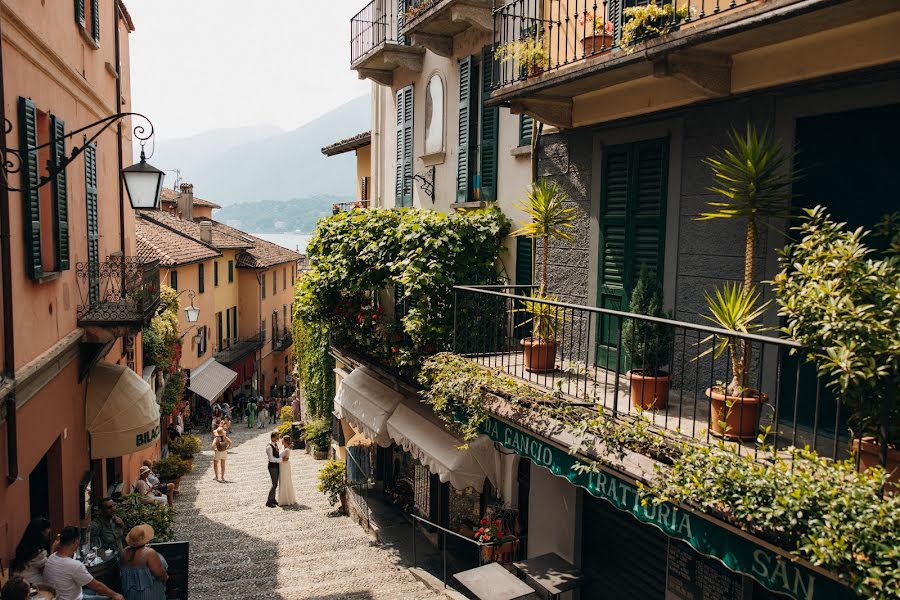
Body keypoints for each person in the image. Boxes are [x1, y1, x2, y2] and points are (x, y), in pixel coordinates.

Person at [43, 526, 123, 600]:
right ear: (77, 541)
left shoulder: (51, 557)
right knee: (109, 596)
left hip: (58, 596)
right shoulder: (74, 565)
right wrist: (116, 595)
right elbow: (98, 587)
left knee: (95, 592)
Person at [119, 525, 168, 600]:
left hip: (130, 594)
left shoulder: (124, 552)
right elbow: (160, 574)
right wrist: (166, 578)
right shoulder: (149, 553)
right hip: (149, 594)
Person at [10, 517, 55, 584]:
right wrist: (53, 549)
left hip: (16, 582)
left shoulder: (22, 546)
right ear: (41, 533)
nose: (49, 530)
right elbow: (47, 572)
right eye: (47, 529)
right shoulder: (39, 553)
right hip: (30, 585)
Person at [265, 431, 285, 507]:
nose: (278, 439)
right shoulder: (269, 447)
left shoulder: (275, 444)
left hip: (276, 466)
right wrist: (280, 460)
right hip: (272, 467)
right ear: (273, 437)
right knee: (274, 484)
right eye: (277, 438)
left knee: (276, 484)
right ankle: (269, 501)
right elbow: (271, 459)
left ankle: (273, 499)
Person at [277, 434, 297, 507]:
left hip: (284, 466)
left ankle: (286, 499)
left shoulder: (287, 450)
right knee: (282, 481)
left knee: (285, 481)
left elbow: (285, 459)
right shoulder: (283, 447)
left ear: (285, 442)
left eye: (282, 440)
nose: (281, 441)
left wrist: (276, 460)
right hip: (282, 466)